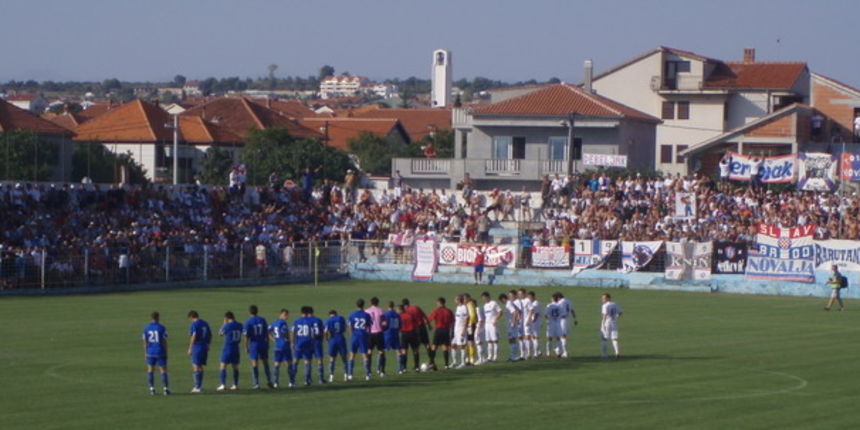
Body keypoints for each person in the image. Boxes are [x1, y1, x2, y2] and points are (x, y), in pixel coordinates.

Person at [243, 305, 273, 389]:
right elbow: (266, 333)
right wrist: (268, 343)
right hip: (263, 343)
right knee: (265, 362)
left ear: (249, 312)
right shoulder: (262, 320)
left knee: (254, 363)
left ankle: (256, 383)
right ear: (257, 311)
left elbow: (246, 336)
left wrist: (246, 346)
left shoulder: (248, 322)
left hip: (254, 344)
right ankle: (269, 381)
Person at [142, 311, 170, 395]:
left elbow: (145, 342)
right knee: (163, 370)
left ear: (150, 318)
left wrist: (145, 352)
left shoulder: (146, 328)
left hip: (150, 352)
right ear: (158, 317)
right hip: (160, 351)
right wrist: (166, 352)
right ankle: (165, 389)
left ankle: (152, 389)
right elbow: (164, 341)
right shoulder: (162, 327)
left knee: (150, 370)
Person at [347, 299, 373, 381]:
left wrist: (352, 333)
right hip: (363, 336)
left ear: (356, 305)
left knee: (352, 355)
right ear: (363, 305)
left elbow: (350, 326)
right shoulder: (367, 315)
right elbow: (369, 326)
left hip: (355, 336)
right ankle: (367, 374)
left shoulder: (352, 314)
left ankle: (350, 374)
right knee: (364, 355)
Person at [269, 309, 295, 388]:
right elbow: (285, 333)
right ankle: (291, 382)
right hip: (285, 346)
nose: (287, 317)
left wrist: (273, 339)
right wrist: (289, 341)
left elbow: (267, 331)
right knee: (289, 364)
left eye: (287, 315)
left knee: (277, 364)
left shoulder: (274, 322)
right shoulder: (283, 323)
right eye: (285, 315)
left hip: (277, 347)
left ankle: (276, 383)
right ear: (281, 314)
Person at [217, 311, 243, 391]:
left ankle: (223, 384)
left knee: (223, 366)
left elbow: (220, 333)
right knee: (235, 367)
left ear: (226, 318)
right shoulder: (240, 325)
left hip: (228, 348)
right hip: (236, 348)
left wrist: (224, 323)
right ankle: (235, 384)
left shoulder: (227, 326)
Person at [187, 310, 211, 393]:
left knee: (196, 366)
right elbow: (210, 335)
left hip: (197, 347)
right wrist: (208, 344)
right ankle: (199, 385)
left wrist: (190, 348)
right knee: (200, 366)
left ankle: (197, 387)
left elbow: (193, 336)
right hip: (204, 346)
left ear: (191, 317)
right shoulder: (205, 323)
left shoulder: (194, 324)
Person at [291, 306, 316, 386]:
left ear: (301, 313)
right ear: (308, 313)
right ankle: (306, 380)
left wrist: (292, 342)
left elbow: (293, 332)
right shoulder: (310, 321)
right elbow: (312, 333)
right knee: (307, 362)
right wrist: (313, 342)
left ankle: (292, 381)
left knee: (295, 362)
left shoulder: (296, 321)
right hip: (308, 343)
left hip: (299, 343)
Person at [427, 297, 454, 369]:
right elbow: (452, 321)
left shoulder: (436, 311)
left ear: (439, 303)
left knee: (434, 347)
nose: (436, 304)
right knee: (445, 347)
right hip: (446, 330)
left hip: (438, 330)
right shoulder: (449, 311)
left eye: (437, 303)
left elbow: (429, 319)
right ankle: (446, 365)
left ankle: (432, 363)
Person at [403, 298, 431, 364]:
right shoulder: (416, 307)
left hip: (416, 329)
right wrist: (429, 325)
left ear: (404, 305)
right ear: (409, 303)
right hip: (423, 327)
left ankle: (416, 366)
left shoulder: (407, 311)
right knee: (427, 344)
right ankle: (432, 361)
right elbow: (424, 315)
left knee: (416, 347)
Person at [382, 301, 406, 374]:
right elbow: (400, 326)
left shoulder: (385, 314)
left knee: (382, 351)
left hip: (387, 334)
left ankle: (380, 369)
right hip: (395, 334)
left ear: (387, 306)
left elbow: (383, 324)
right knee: (398, 351)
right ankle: (400, 369)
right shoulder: (397, 315)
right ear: (393, 306)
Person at [324, 309, 348, 382]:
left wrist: (327, 339)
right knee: (344, 358)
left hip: (333, 339)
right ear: (336, 313)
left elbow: (325, 331)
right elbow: (345, 328)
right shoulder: (341, 318)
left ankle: (331, 376)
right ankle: (346, 375)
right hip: (341, 338)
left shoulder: (328, 320)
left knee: (332, 358)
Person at [365, 297, 387, 377]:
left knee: (369, 352)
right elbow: (384, 323)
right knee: (381, 351)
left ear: (371, 303)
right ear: (378, 303)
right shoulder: (380, 310)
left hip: (370, 334)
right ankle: (382, 371)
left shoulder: (366, 311)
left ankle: (369, 372)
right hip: (379, 333)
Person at [397, 304, 421, 372]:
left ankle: (404, 368)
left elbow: (398, 327)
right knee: (415, 350)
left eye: (398, 310)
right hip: (412, 333)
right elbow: (416, 325)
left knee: (404, 351)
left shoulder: (399, 317)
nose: (397, 311)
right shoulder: (410, 315)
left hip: (404, 334)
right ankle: (417, 367)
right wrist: (418, 335)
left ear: (401, 309)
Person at [481, 292, 501, 362]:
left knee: (495, 341)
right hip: (487, 325)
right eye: (483, 298)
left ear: (488, 296)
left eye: (484, 297)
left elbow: (500, 312)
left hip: (493, 324)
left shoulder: (494, 303)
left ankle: (495, 357)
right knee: (489, 341)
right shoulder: (485, 305)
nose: (484, 299)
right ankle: (489, 356)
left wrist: (496, 319)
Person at [501, 292, 521, 361]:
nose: (502, 302)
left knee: (512, 340)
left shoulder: (508, 304)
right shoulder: (510, 303)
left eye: (501, 301)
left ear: (503, 299)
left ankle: (513, 356)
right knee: (513, 340)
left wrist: (513, 322)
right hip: (511, 325)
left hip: (511, 325)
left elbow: (514, 312)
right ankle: (514, 356)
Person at [600, 294, 622, 359]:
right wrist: (616, 317)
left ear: (608, 298)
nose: (602, 300)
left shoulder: (605, 305)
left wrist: (603, 323)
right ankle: (617, 353)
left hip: (607, 322)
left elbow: (604, 314)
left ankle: (604, 354)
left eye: (604, 298)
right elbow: (620, 313)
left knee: (604, 338)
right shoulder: (615, 304)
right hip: (614, 322)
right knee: (614, 338)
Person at [308, 309, 327, 384]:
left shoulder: (306, 320)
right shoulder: (318, 320)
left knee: (308, 360)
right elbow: (322, 331)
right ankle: (321, 378)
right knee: (319, 360)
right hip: (318, 341)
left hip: (309, 341)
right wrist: (322, 340)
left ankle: (308, 379)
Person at [556, 292, 577, 358]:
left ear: (558, 297)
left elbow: (557, 311)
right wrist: (575, 319)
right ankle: (558, 349)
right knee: (562, 335)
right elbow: (572, 310)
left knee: (562, 336)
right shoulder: (569, 301)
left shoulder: (560, 302)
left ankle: (565, 352)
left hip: (562, 319)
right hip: (568, 319)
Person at [452, 295, 469, 368]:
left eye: (455, 299)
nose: (454, 300)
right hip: (456, 329)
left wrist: (463, 330)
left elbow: (466, 319)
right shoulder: (458, 307)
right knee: (453, 345)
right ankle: (454, 362)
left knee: (462, 346)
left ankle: (463, 363)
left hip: (461, 329)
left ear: (459, 300)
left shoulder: (464, 307)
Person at [465, 293, 479, 365]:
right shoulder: (469, 304)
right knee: (469, 341)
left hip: (471, 324)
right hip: (470, 324)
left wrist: (470, 323)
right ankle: (469, 359)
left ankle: (472, 359)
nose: (463, 300)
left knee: (470, 341)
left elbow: (472, 315)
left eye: (464, 299)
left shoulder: (470, 304)